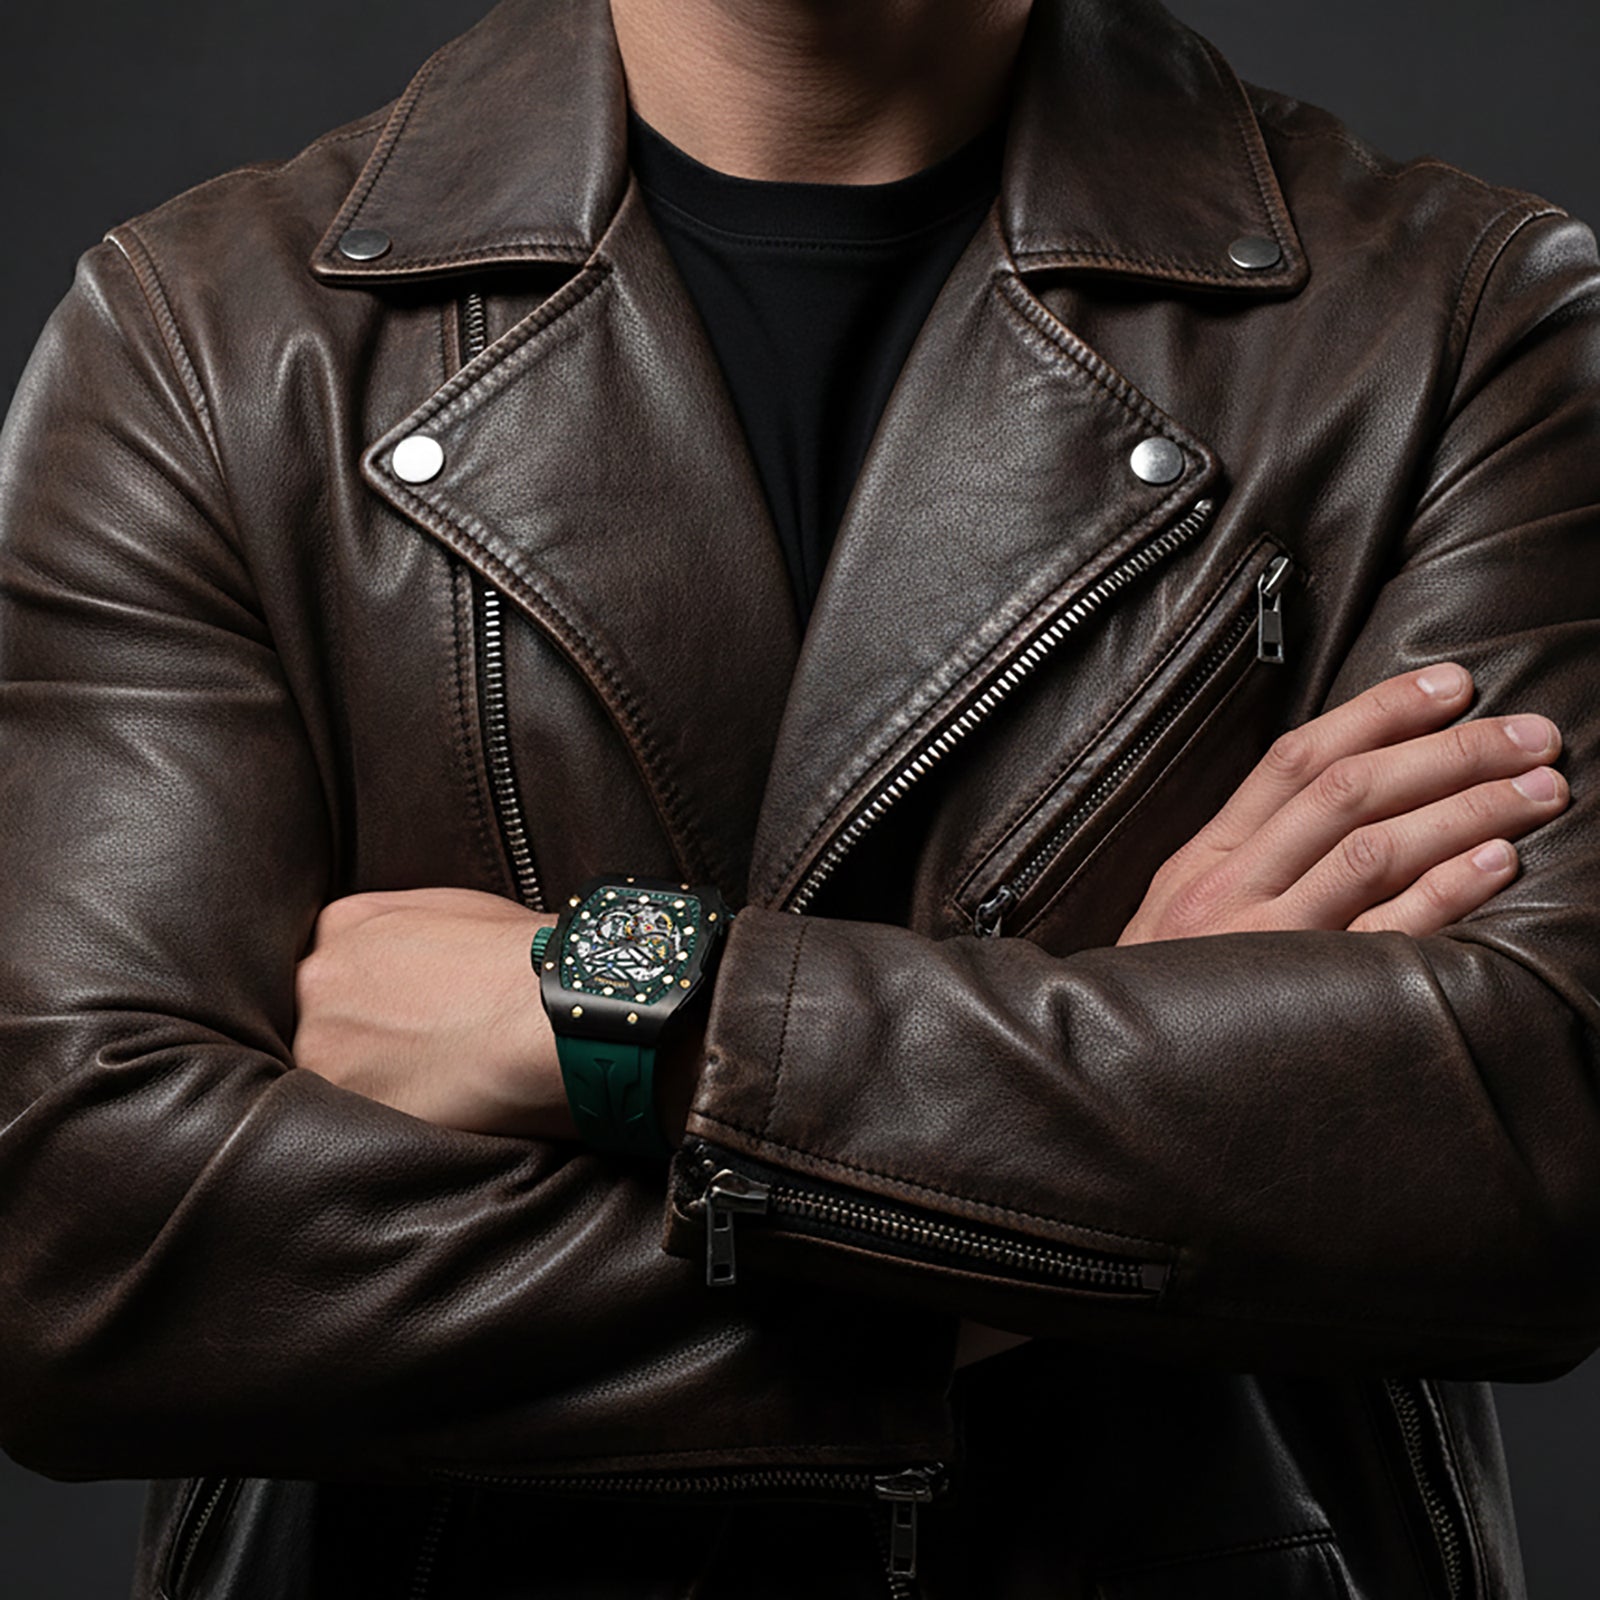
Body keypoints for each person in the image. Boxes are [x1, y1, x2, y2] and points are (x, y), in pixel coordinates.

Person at [1, 0, 1596, 1594]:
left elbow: (1532, 1161)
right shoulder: (207, 334)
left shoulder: (1454, 319)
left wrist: (629, 1011)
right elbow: (75, 1255)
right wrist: (1127, 1128)